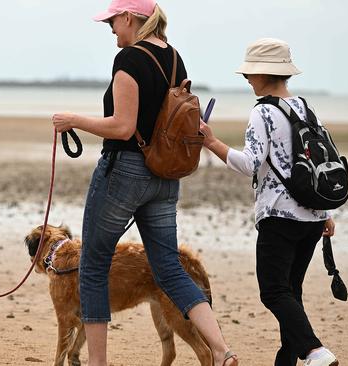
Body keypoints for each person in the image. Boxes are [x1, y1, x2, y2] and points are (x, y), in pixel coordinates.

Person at [51, 1, 237, 365]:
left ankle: (97, 363)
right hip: (166, 176)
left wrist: (72, 119)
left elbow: (121, 126)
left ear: (130, 18)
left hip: (125, 171)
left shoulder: (130, 59)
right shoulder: (175, 58)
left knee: (92, 264)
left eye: (113, 21)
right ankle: (221, 348)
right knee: (168, 266)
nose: (110, 28)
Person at [199, 38, 338, 366]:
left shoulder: (262, 111)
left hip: (279, 215)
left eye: (250, 73)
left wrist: (211, 141)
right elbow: (316, 160)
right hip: (313, 215)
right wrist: (326, 212)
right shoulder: (305, 106)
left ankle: (315, 351)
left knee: (273, 291)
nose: (247, 79)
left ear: (263, 74)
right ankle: (287, 360)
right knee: (291, 290)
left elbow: (248, 163)